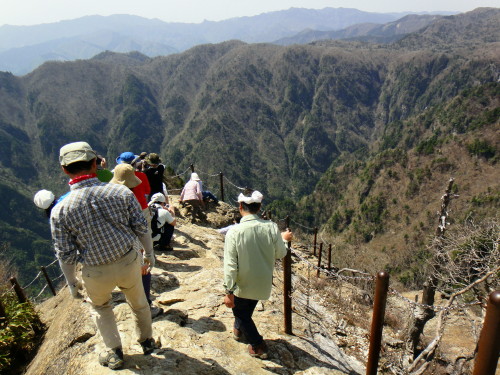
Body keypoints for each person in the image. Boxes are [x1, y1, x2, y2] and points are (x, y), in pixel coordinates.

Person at [50, 141, 157, 370]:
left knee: (101, 308)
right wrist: (149, 254)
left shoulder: (60, 209)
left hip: (95, 270)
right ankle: (147, 342)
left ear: (65, 169)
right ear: (94, 164)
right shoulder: (119, 191)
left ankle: (115, 353)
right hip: (128, 260)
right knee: (139, 303)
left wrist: (72, 283)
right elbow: (141, 227)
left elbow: (65, 253)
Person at [223, 189, 293, 359]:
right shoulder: (271, 227)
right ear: (259, 207)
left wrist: (228, 291)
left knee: (241, 313)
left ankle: (257, 345)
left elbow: (231, 265)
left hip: (242, 283)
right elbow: (280, 253)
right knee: (245, 311)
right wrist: (284, 239)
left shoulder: (234, 232)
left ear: (240, 206)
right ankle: (238, 330)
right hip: (262, 282)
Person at [110, 163, 163, 319]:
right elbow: (142, 230)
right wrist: (148, 253)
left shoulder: (110, 197)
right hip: (133, 244)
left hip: (115, 246)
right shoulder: (131, 201)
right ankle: (145, 305)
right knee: (143, 270)